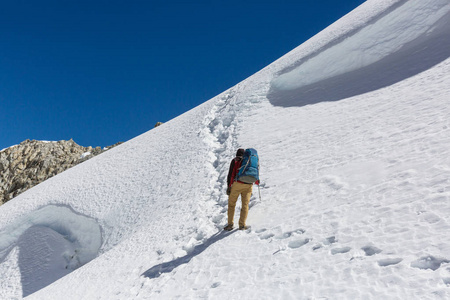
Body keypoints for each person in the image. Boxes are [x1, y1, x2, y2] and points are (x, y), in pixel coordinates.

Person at [224, 148, 259, 231]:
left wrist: (229, 186)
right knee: (245, 205)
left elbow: (231, 174)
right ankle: (242, 225)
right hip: (248, 185)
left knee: (232, 204)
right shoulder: (249, 161)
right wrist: (257, 182)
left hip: (237, 184)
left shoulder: (235, 161)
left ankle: (230, 224)